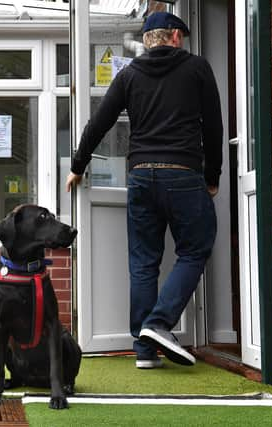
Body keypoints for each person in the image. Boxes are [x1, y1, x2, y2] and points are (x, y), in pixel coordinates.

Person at [66, 11, 222, 369]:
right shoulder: (198, 68)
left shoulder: (129, 75)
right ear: (176, 37)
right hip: (183, 173)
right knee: (195, 249)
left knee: (143, 261)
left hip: (141, 177)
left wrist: (77, 166)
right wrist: (212, 175)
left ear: (148, 40)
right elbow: (214, 126)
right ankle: (157, 323)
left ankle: (144, 350)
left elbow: (99, 122)